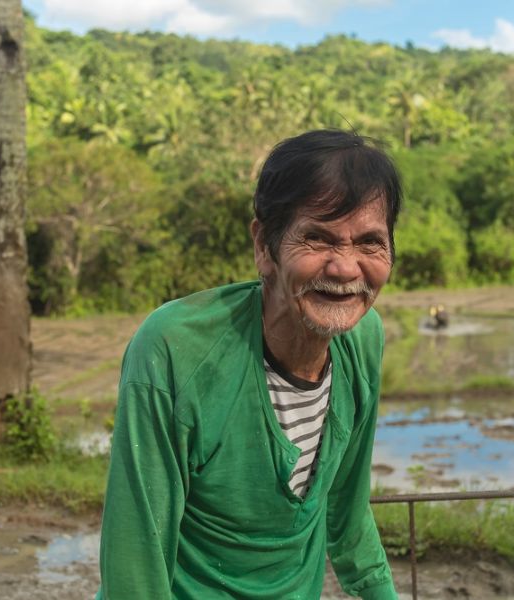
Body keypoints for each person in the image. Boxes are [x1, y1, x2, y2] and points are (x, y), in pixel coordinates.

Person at [96, 129, 401, 599]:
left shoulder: (362, 339)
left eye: (369, 243)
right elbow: (137, 556)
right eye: (316, 238)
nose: (345, 267)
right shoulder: (175, 350)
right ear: (265, 246)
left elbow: (348, 509)